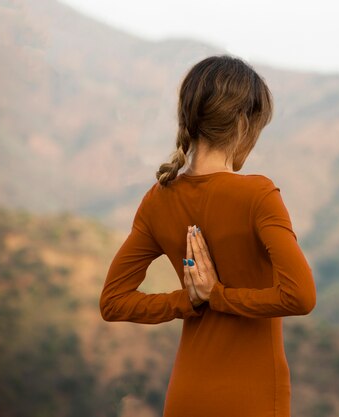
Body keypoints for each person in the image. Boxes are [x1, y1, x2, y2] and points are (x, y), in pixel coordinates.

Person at [99, 55, 317, 417]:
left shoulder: (159, 199)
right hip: (252, 402)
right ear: (244, 123)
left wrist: (188, 302)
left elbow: (113, 302)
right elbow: (301, 297)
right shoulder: (258, 195)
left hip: (185, 398)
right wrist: (216, 296)